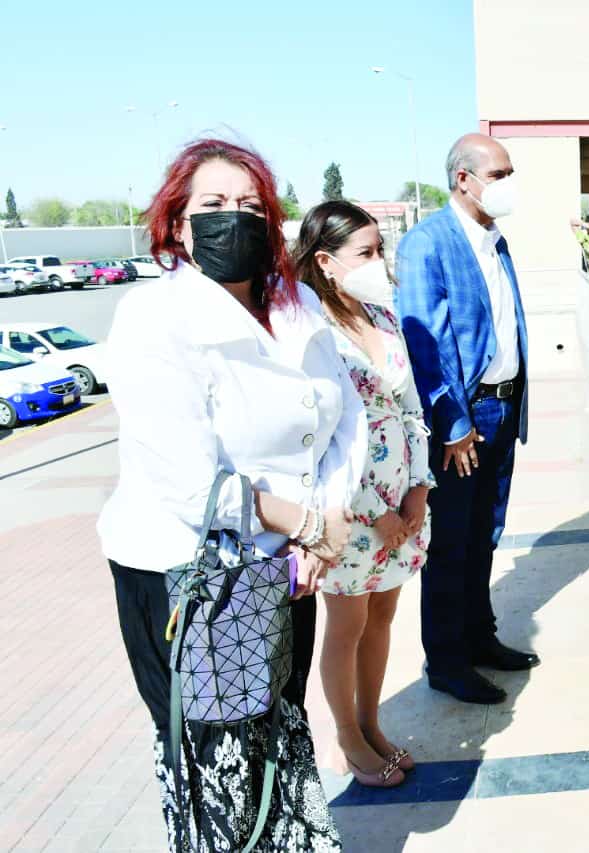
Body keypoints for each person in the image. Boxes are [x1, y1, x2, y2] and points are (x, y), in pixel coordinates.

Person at [99, 137, 366, 848]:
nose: (235, 218)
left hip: (286, 569)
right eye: (213, 204)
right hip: (191, 581)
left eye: (251, 204)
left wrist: (330, 515)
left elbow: (345, 418)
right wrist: (310, 521)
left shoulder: (298, 303)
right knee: (217, 763)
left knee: (279, 738)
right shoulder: (155, 318)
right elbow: (192, 483)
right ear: (177, 225)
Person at [397, 133, 539, 706]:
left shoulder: (493, 239)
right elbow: (422, 339)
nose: (509, 183)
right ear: (464, 179)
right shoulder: (426, 244)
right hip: (466, 417)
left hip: (504, 406)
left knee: (485, 532)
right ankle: (447, 661)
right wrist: (453, 422)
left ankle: (480, 638)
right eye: (500, 173)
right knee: (452, 541)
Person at [294, 200, 433, 788]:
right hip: (351, 509)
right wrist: (375, 512)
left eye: (381, 250)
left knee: (384, 616)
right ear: (326, 262)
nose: (380, 262)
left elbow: (409, 405)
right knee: (346, 626)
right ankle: (348, 737)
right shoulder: (311, 331)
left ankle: (372, 724)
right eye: (366, 253)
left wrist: (419, 491)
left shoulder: (382, 315)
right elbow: (325, 433)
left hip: (404, 497)